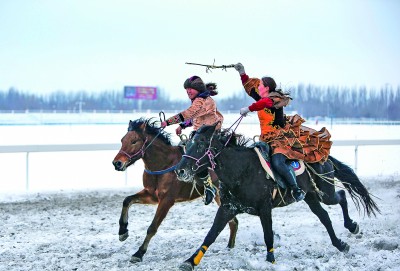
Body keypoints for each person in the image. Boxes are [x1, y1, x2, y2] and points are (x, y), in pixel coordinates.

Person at [234, 63, 332, 202]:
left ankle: (296, 189)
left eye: (260, 85)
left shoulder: (275, 99)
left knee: (278, 161)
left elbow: (264, 104)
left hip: (280, 138)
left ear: (266, 88)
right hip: (265, 138)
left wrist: (249, 109)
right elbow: (250, 89)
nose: (258, 87)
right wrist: (242, 73)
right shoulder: (261, 98)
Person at [161, 75, 223, 205]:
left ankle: (209, 186)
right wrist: (183, 125)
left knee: (194, 156)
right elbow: (195, 118)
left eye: (191, 89)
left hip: (209, 135)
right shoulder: (198, 100)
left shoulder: (203, 100)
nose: (188, 91)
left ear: (198, 89)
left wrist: (168, 122)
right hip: (199, 135)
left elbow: (188, 114)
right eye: (187, 89)